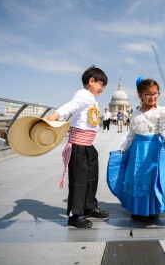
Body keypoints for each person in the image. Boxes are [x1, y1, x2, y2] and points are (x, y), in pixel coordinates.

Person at [44, 65, 109, 229]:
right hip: (79, 146)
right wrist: (53, 116)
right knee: (78, 181)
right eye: (101, 84)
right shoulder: (84, 96)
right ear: (91, 81)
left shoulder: (91, 99)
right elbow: (69, 107)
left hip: (88, 146)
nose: (102, 89)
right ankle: (75, 214)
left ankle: (89, 206)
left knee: (91, 178)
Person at [117, 76, 165, 223]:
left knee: (151, 178)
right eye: (148, 94)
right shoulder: (135, 112)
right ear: (140, 95)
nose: (152, 97)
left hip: (153, 148)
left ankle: (151, 210)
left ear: (158, 94)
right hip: (137, 149)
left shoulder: (162, 111)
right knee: (136, 177)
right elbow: (132, 133)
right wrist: (124, 146)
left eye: (154, 93)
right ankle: (137, 209)